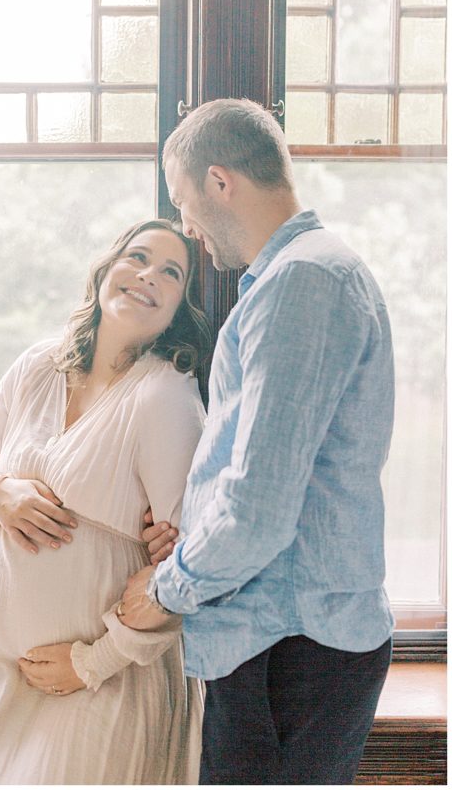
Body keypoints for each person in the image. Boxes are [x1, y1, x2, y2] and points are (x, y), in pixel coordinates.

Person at [0, 218, 212, 786]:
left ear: (179, 309)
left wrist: (91, 663)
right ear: (106, 270)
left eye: (170, 273)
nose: (147, 275)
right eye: (137, 257)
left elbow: (185, 571)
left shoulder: (164, 395)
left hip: (102, 678)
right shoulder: (38, 366)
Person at [117, 98, 395, 785]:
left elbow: (260, 506)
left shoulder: (302, 280)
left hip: (290, 647)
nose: (186, 224)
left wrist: (167, 590)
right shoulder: (300, 275)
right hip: (288, 642)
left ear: (220, 182)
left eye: (182, 201)